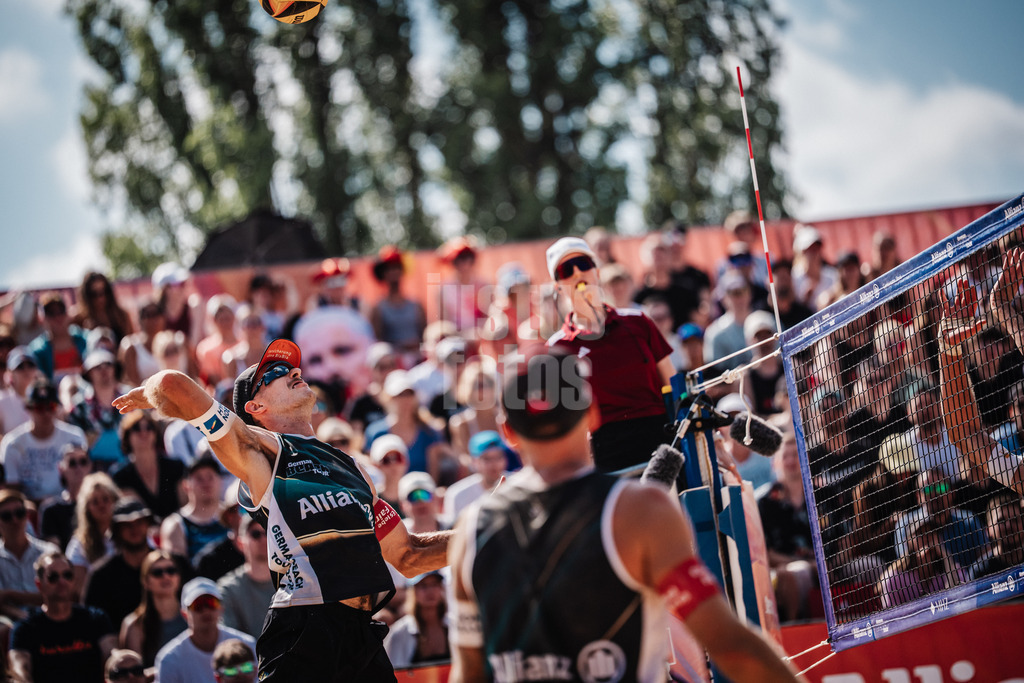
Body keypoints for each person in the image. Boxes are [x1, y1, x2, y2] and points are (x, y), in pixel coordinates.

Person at [448, 347, 800, 683]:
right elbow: (734, 649)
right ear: (593, 415)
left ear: (506, 431)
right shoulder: (637, 513)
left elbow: (469, 674)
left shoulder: (470, 531)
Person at [113, 338, 451, 681]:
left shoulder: (353, 467)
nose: (293, 371)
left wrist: (482, 527)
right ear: (256, 408)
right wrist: (150, 392)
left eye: (292, 367)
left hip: (360, 634)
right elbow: (173, 384)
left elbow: (410, 556)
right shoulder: (260, 454)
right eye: (274, 373)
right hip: (305, 630)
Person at [545, 237, 676, 473]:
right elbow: (564, 418)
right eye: (566, 270)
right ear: (558, 286)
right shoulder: (557, 348)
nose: (577, 274)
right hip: (605, 453)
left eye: (583, 264)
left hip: (662, 438)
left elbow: (673, 382)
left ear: (596, 271)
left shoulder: (638, 321)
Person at [8, 550, 117, 683]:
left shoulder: (96, 618)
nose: (62, 581)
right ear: (39, 584)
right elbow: (20, 671)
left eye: (67, 575)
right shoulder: (25, 629)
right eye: (53, 577)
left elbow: (113, 658)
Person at [1, 378, 88, 503]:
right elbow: (13, 491)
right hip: (28, 510)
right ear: (28, 408)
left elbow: (84, 478)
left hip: (69, 505)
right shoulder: (13, 443)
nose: (46, 413)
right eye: (39, 407)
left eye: (51, 406)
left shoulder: (75, 437)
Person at [154, 578, 255, 683]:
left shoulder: (248, 645)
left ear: (221, 608)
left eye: (211, 603)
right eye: (198, 605)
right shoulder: (169, 659)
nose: (206, 610)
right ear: (184, 614)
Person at [83, 501, 162, 629]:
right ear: (117, 530)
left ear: (148, 524)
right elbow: (93, 621)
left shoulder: (169, 567)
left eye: (139, 522)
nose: (134, 529)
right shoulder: (101, 576)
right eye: (126, 525)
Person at [111, 411, 187, 521]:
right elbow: (136, 514)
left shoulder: (175, 466)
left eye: (149, 427)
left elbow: (185, 505)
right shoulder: (120, 475)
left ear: (156, 434)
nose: (144, 432)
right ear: (127, 436)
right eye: (136, 428)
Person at [879, 518, 968, 609]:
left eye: (931, 533)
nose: (927, 538)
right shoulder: (893, 579)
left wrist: (945, 556)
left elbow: (959, 601)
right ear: (908, 541)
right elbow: (893, 619)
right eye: (921, 534)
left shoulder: (953, 568)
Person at [119, 549, 187, 668]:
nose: (165, 576)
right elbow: (135, 675)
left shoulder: (193, 615)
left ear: (179, 577)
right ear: (145, 581)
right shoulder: (135, 625)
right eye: (157, 572)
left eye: (171, 571)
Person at [0, 489, 59, 622]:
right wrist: (20, 615)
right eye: (6, 516)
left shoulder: (49, 552)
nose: (15, 520)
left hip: (49, 618)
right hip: (9, 623)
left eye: (19, 513)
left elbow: (57, 594)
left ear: (27, 516)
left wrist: (10, 595)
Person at [68, 349, 129, 469]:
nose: (104, 370)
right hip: (92, 469)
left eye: (108, 365)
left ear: (115, 369)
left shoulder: (130, 399)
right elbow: (76, 447)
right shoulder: (78, 407)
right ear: (88, 373)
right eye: (97, 367)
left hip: (128, 467)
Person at [159, 456, 228, 563]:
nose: (206, 483)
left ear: (221, 481)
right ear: (186, 485)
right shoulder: (175, 524)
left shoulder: (234, 516)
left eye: (210, 477)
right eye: (199, 478)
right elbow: (177, 569)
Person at [216, 516, 274, 639]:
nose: (263, 538)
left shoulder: (291, 581)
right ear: (240, 543)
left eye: (268, 532)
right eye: (256, 534)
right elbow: (231, 642)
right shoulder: (227, 589)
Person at [369, 246, 427, 366]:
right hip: (393, 364)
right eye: (389, 269)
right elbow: (378, 342)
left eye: (397, 268)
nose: (394, 272)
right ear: (383, 273)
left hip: (419, 361)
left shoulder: (416, 305)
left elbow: (425, 336)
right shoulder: (378, 309)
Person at [65, 473, 120, 596]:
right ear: (87, 508)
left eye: (106, 499)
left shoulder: (129, 533)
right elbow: (78, 589)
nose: (101, 505)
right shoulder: (79, 543)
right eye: (95, 502)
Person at [382, 571, 449, 669]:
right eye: (423, 586)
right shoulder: (399, 633)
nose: (430, 591)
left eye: (434, 584)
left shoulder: (454, 625)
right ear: (413, 591)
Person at [443, 430, 511, 526]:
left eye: (498, 457)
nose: (494, 464)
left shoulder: (521, 484)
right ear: (474, 462)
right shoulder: (457, 494)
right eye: (486, 458)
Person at [38, 444, 92, 550]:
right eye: (72, 463)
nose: (78, 467)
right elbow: (54, 552)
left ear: (90, 466)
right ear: (61, 468)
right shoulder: (51, 510)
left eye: (83, 461)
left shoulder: (100, 503)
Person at [28, 293, 88, 383]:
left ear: (67, 314)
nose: (57, 317)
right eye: (51, 313)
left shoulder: (86, 340)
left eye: (61, 311)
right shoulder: (37, 351)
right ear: (43, 319)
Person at [73, 272, 134, 345]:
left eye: (104, 291)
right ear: (86, 296)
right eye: (94, 294)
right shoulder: (79, 318)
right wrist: (86, 333)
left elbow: (131, 343)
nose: (100, 298)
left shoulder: (121, 316)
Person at [119, 300, 166, 388]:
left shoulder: (177, 341)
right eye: (148, 315)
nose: (153, 319)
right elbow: (132, 383)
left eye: (156, 313)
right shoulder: (131, 347)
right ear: (140, 320)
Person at [0, 346, 40, 436]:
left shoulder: (46, 398)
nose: (26, 370)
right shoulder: (2, 402)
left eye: (30, 365)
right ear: (10, 373)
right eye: (20, 367)